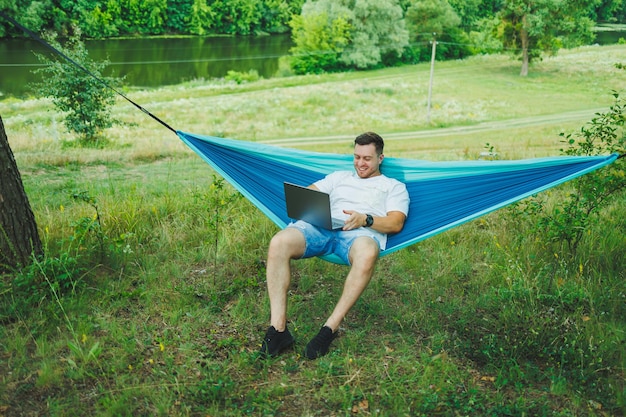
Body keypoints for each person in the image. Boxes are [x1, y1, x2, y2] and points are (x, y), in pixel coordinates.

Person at [259, 131, 410, 360]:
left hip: (359, 234)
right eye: (357, 157)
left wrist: (365, 219)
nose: (360, 163)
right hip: (322, 227)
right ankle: (278, 330)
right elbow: (307, 194)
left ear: (380, 158)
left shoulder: (393, 186)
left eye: (367, 158)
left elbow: (396, 222)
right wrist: (317, 208)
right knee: (279, 242)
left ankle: (329, 329)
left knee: (369, 253)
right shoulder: (339, 177)